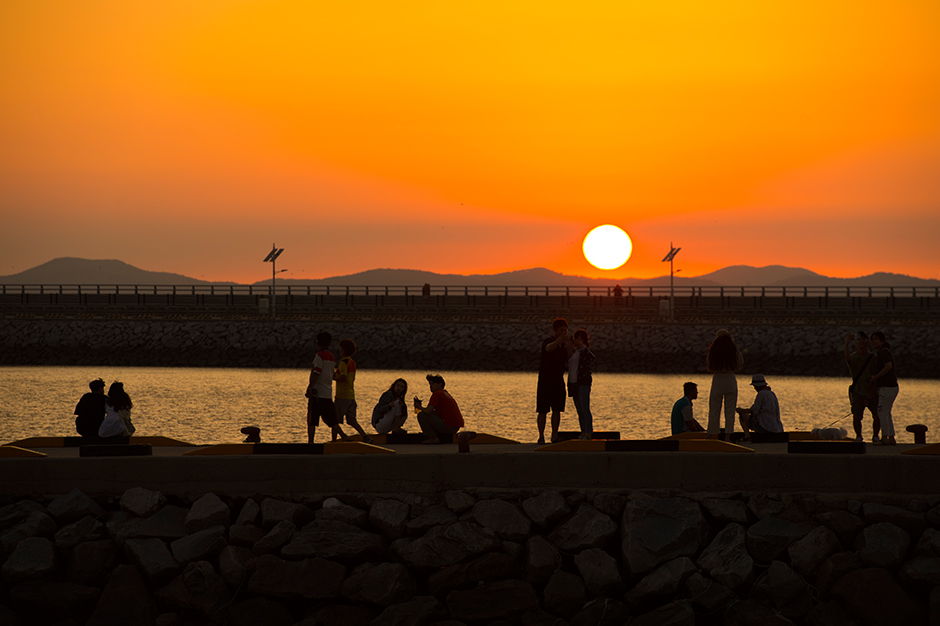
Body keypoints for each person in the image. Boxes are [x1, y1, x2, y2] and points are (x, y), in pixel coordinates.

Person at [305, 332, 349, 444]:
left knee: (312, 419)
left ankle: (310, 442)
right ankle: (343, 436)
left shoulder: (319, 356)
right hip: (327, 392)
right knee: (331, 419)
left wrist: (310, 387)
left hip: (317, 393)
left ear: (317, 343)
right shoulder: (332, 357)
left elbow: (316, 373)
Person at [536, 318, 569, 444]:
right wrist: (558, 340)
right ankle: (541, 436)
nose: (563, 333)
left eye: (565, 330)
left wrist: (568, 347)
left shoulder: (563, 345)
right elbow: (548, 349)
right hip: (545, 381)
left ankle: (554, 436)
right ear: (554, 330)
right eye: (561, 330)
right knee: (542, 410)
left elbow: (569, 359)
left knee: (557, 410)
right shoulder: (548, 341)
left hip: (558, 381)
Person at [706, 329, 744, 436]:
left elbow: (709, 362)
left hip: (717, 379)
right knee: (730, 411)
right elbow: (740, 361)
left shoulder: (713, 349)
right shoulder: (734, 349)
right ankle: (728, 436)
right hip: (730, 378)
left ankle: (713, 435)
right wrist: (734, 369)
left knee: (714, 410)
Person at [333, 339, 371, 443]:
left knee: (334, 420)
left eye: (341, 348)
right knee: (352, 420)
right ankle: (365, 436)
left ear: (344, 350)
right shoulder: (352, 362)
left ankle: (334, 441)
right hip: (351, 396)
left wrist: (332, 378)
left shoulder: (343, 362)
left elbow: (344, 377)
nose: (339, 350)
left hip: (342, 396)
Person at [844, 331, 880, 443]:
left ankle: (875, 436)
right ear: (856, 342)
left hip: (872, 391)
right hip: (858, 391)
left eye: (864, 339)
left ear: (868, 342)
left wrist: (873, 391)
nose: (862, 342)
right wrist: (846, 344)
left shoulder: (873, 358)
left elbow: (877, 376)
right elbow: (848, 359)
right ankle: (858, 436)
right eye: (859, 340)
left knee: (877, 415)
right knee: (857, 416)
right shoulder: (853, 357)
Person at [415, 374, 464, 444]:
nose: (430, 386)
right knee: (430, 413)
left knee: (421, 415)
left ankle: (432, 437)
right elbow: (430, 411)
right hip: (455, 427)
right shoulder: (444, 393)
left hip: (450, 427)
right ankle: (434, 433)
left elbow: (427, 411)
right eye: (430, 384)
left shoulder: (437, 394)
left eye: (433, 384)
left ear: (440, 384)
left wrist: (419, 407)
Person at [869, 331, 899, 445]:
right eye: (872, 339)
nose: (873, 341)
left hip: (887, 387)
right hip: (892, 387)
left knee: (882, 412)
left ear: (882, 340)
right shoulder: (885, 351)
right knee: (887, 412)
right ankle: (891, 437)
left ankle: (885, 437)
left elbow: (888, 366)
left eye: (876, 339)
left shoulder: (883, 352)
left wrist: (875, 377)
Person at [568, 329, 596, 440]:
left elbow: (592, 357)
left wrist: (583, 346)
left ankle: (588, 433)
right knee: (579, 410)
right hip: (573, 383)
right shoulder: (575, 353)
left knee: (585, 409)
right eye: (576, 339)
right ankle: (583, 432)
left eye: (580, 339)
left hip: (583, 383)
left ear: (584, 341)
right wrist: (568, 347)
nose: (577, 342)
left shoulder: (585, 351)